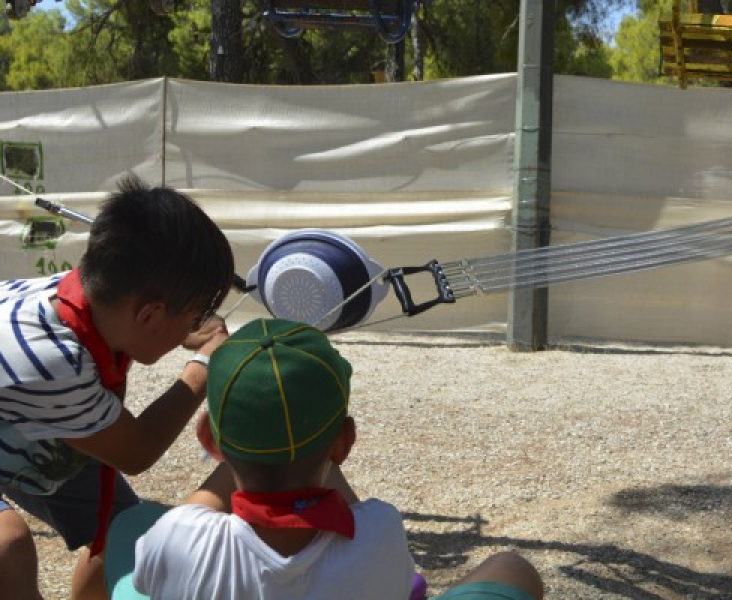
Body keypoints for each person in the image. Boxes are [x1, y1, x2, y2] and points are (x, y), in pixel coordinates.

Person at [106, 318, 544, 600]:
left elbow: (195, 515)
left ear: (209, 439)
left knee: (129, 541)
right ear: (344, 444)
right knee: (511, 568)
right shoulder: (379, 530)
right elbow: (351, 514)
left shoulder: (179, 538)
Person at [0, 175, 235, 600]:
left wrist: (177, 328)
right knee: (7, 549)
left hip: (23, 422)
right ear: (149, 315)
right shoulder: (54, 361)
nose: (197, 327)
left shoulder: (79, 298)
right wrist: (204, 365)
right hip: (22, 414)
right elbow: (136, 451)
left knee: (122, 534)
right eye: (193, 316)